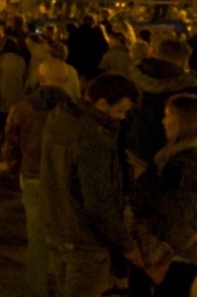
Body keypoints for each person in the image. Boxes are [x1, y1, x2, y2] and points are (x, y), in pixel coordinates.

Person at [39, 73, 139, 297]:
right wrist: (126, 243)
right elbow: (98, 202)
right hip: (85, 240)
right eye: (120, 111)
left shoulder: (61, 120)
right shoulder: (94, 140)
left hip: (57, 227)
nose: (122, 118)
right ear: (102, 104)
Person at [127, 93, 197, 297]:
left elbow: (178, 211)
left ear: (185, 121)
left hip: (178, 253)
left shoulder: (196, 164)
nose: (163, 121)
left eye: (168, 115)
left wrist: (144, 179)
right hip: (162, 248)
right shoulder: (174, 155)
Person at [3, 59, 77, 297]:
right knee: (63, 238)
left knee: (36, 238)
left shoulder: (22, 108)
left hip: (33, 176)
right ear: (65, 80)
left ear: (40, 78)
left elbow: (11, 144)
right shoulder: (76, 110)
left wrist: (17, 170)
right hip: (65, 179)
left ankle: (37, 288)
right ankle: (66, 286)